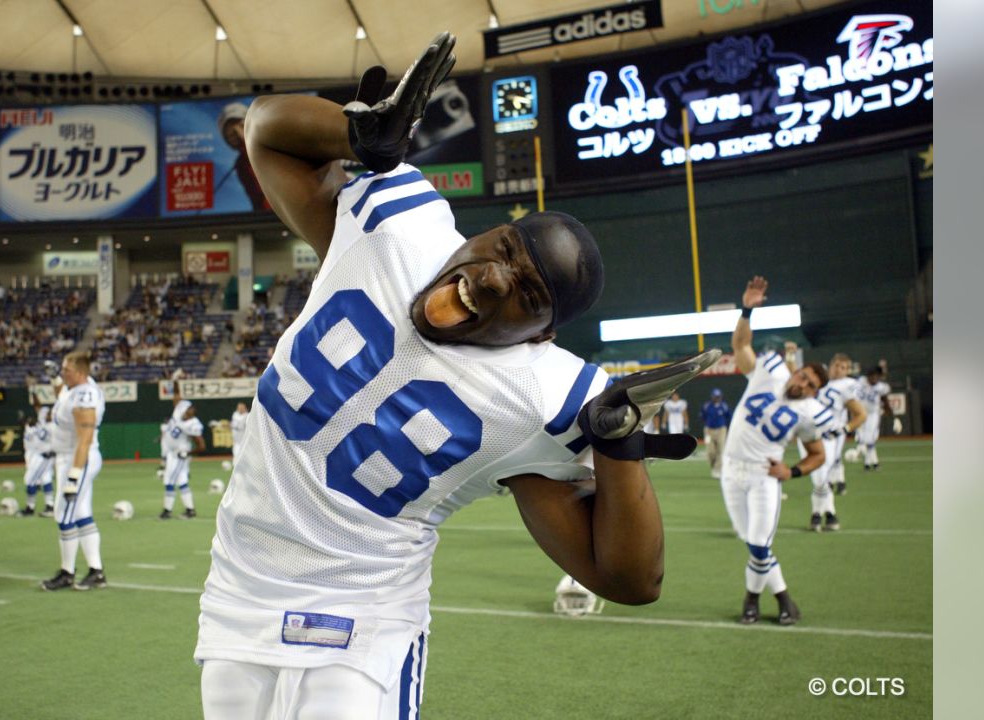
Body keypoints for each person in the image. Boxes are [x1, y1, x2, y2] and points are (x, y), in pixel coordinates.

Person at [193, 32, 719, 718]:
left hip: (364, 624)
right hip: (237, 595)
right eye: (504, 251)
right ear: (488, 232)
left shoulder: (537, 394)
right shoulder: (399, 226)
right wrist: (355, 132)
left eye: (527, 296)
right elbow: (264, 131)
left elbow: (632, 580)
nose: (495, 280)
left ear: (542, 334)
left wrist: (618, 448)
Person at [723, 276, 830, 626]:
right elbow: (740, 345)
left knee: (757, 543)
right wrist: (747, 311)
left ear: (815, 393)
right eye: (803, 376)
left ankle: (753, 601)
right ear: (796, 369)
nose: (802, 383)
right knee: (750, 542)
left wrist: (793, 471)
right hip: (730, 470)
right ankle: (785, 601)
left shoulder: (809, 413)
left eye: (810, 385)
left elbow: (818, 455)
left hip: (762, 476)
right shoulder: (767, 371)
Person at [41, 351, 108, 591]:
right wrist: (54, 381)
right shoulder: (77, 388)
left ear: (80, 372)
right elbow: (63, 398)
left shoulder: (85, 397)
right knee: (81, 514)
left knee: (63, 515)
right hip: (71, 457)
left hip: (77, 458)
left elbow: (85, 439)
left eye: (66, 370)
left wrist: (74, 475)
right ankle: (96, 571)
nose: (62, 373)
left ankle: (67, 572)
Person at [805, 354, 867, 530]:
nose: (838, 369)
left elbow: (861, 414)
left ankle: (819, 514)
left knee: (821, 475)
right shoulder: (815, 383)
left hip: (830, 437)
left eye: (843, 367)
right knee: (818, 477)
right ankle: (827, 514)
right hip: (807, 434)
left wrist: (845, 429)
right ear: (829, 365)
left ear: (848, 370)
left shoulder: (848, 385)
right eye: (836, 365)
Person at [161, 386, 207, 520]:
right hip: (172, 453)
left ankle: (167, 511)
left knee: (169, 481)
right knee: (182, 482)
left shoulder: (193, 424)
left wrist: (189, 453)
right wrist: (175, 381)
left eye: (192, 412)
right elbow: (176, 395)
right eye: (189, 410)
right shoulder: (180, 408)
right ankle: (190, 510)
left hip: (179, 455)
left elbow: (202, 446)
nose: (189, 412)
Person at [855, 365, 897, 470]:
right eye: (872, 376)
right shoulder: (861, 382)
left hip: (873, 414)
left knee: (870, 439)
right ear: (868, 376)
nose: (875, 379)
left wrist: (894, 418)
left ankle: (869, 463)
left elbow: (885, 402)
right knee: (863, 438)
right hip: (859, 412)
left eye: (877, 376)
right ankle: (873, 463)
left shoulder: (881, 387)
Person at [20, 396, 56, 518]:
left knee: (29, 480)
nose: (47, 414)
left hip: (44, 456)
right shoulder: (43, 420)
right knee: (46, 479)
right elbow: (38, 407)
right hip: (41, 455)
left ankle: (30, 507)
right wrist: (34, 393)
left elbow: (44, 436)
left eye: (50, 414)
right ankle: (50, 506)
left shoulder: (54, 426)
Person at [701, 388, 732, 478]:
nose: (717, 398)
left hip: (721, 430)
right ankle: (713, 465)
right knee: (710, 451)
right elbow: (703, 416)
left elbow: (728, 417)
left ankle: (717, 469)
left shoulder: (724, 406)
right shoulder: (707, 406)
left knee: (720, 450)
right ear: (712, 397)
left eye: (718, 397)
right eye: (715, 397)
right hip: (709, 430)